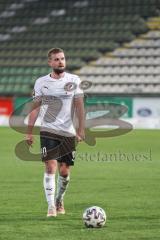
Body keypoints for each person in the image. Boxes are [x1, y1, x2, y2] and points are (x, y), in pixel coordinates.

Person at [26, 48, 85, 217]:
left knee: (64, 171)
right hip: (48, 130)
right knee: (50, 166)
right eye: (57, 59)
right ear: (50, 62)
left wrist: (81, 129)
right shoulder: (41, 82)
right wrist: (29, 132)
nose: (61, 61)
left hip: (67, 132)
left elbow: (79, 105)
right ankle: (51, 206)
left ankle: (59, 199)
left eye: (63, 58)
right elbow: (35, 108)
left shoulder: (74, 80)